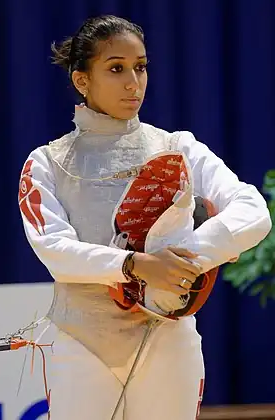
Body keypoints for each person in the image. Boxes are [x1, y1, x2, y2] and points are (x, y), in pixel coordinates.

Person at [18, 15, 272, 420]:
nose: (133, 82)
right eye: (116, 68)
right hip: (81, 341)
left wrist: (189, 256)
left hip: (168, 339)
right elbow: (54, 250)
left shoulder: (177, 147)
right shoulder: (47, 162)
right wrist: (136, 266)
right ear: (82, 80)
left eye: (140, 66)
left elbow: (253, 211)